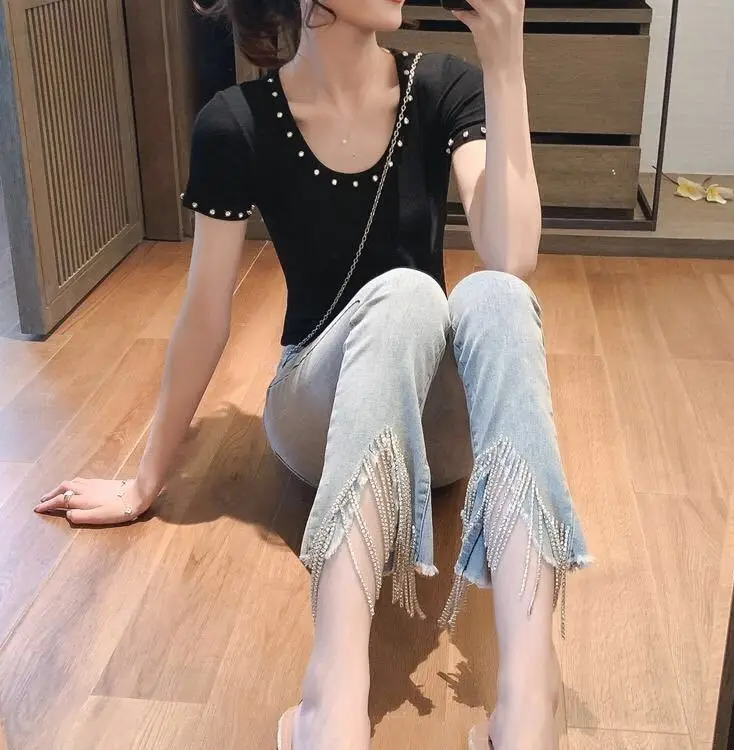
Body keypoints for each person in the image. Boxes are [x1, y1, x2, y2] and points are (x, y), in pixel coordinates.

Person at [36, 0, 590, 747]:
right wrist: (144, 483)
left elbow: (513, 256)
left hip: (439, 439)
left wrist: (504, 61)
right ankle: (334, 696)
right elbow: (205, 315)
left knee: (497, 296)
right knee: (406, 293)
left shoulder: (442, 87)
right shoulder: (237, 122)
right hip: (317, 417)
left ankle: (526, 707)